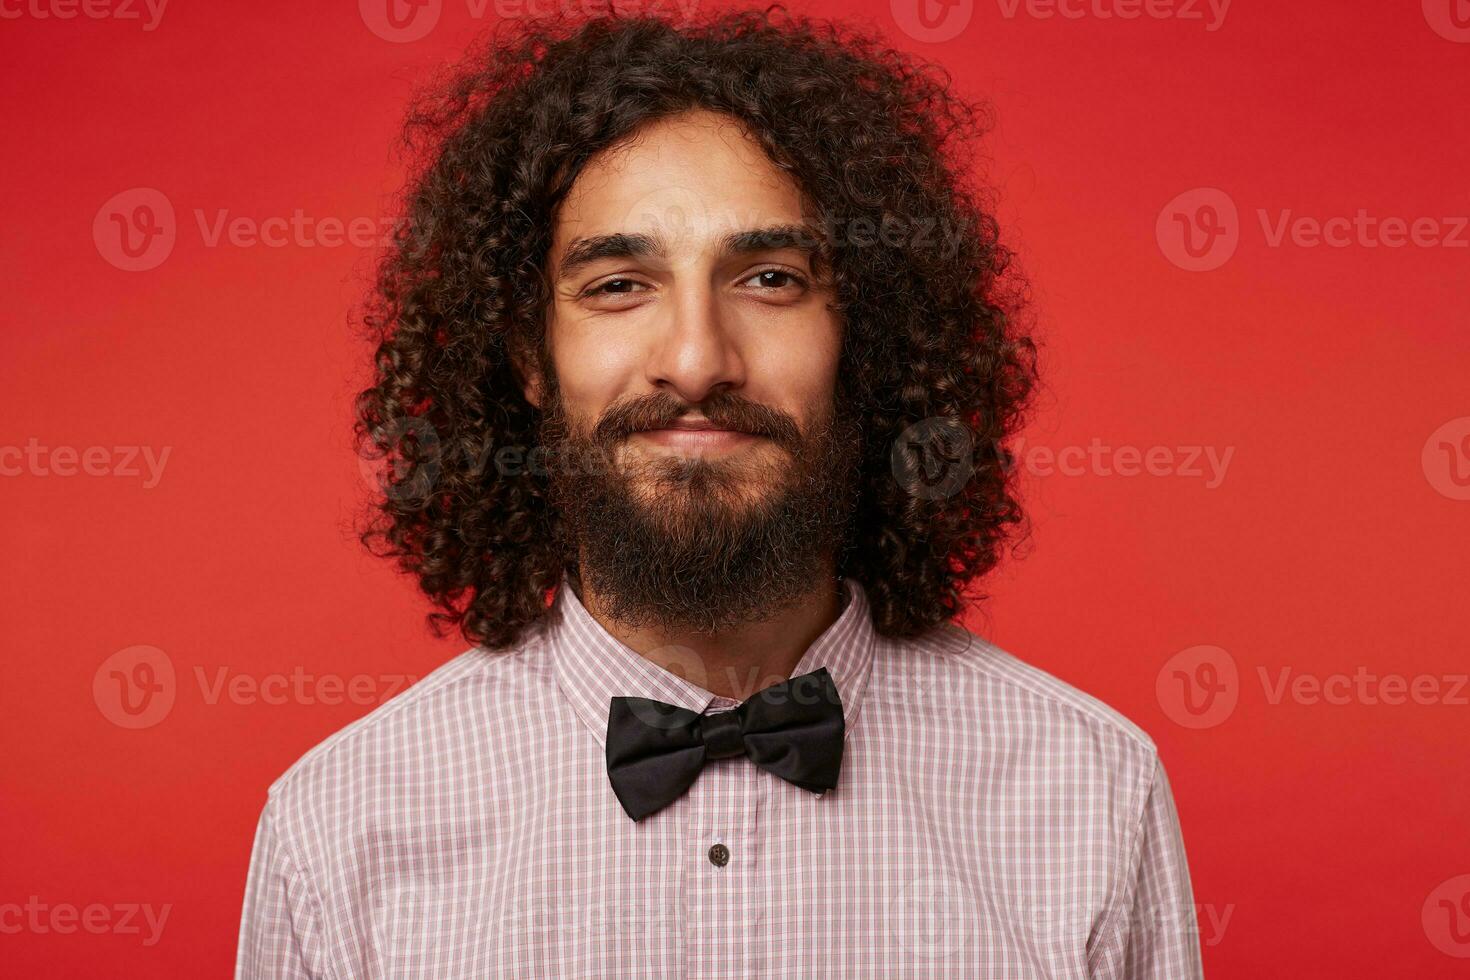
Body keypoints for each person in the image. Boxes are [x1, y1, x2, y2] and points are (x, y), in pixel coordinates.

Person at [236, 8, 1203, 977]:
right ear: (532, 353)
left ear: (859, 335)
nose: (697, 360)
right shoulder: (343, 824)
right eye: (618, 284)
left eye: (770, 277)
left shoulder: (1087, 790)